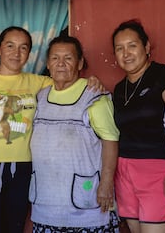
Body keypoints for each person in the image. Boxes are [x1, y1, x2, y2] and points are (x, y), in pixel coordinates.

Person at [0, 26, 104, 233]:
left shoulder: (38, 82)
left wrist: (90, 81)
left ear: (29, 53)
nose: (16, 53)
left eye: (23, 48)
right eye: (10, 46)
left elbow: (67, 80)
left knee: (13, 228)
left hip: (23, 168)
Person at [29, 35, 120, 232]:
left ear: (80, 63)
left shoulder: (94, 96)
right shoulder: (40, 96)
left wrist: (106, 184)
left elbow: (110, 141)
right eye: (55, 58)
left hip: (86, 206)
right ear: (47, 63)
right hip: (46, 205)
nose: (61, 64)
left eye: (68, 58)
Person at [111, 19, 165, 233]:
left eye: (132, 45)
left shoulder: (164, 75)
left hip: (158, 169)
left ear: (146, 47)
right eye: (119, 48)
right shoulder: (119, 89)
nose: (126, 53)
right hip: (125, 170)